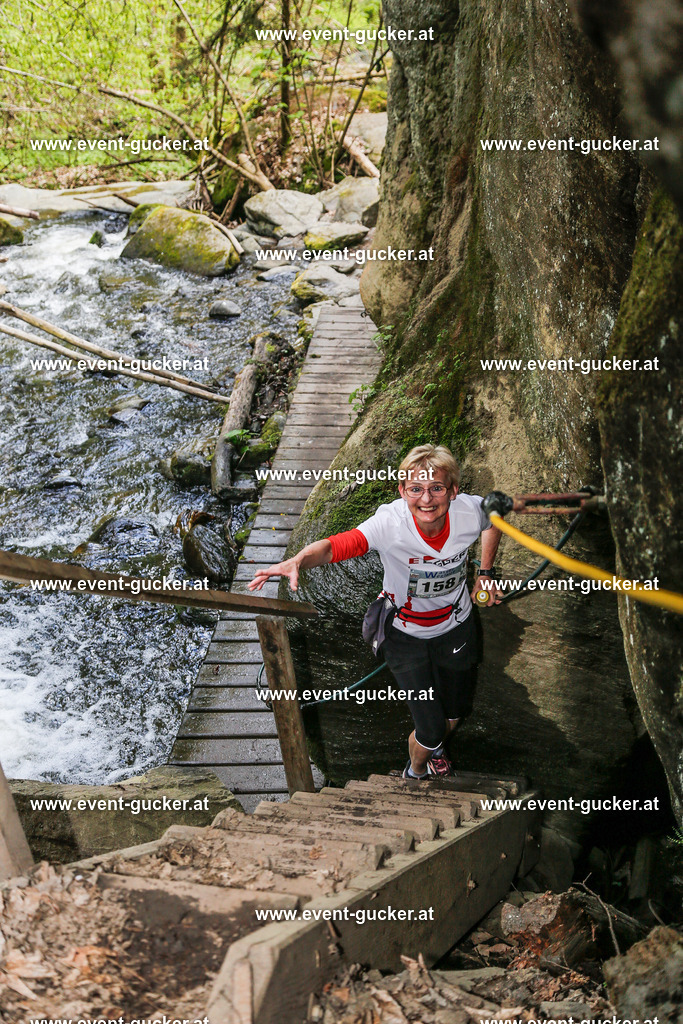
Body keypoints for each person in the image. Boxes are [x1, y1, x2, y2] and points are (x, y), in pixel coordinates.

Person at [248, 444, 503, 779]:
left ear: (453, 491)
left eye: (436, 489)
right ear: (402, 491)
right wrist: (299, 560)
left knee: (454, 713)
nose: (426, 500)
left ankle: (437, 748)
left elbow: (493, 518)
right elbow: (337, 546)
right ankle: (415, 770)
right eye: (415, 489)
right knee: (430, 729)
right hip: (405, 637)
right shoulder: (389, 524)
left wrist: (485, 573)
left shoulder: (468, 511)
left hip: (456, 628)